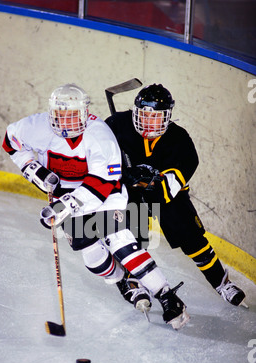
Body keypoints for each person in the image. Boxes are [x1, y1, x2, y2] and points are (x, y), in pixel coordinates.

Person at [2, 83, 190, 329]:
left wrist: (64, 207)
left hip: (106, 194)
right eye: (61, 114)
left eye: (72, 114)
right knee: (93, 259)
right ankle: (124, 281)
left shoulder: (99, 134)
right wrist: (31, 168)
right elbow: (10, 140)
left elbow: (102, 184)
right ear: (52, 113)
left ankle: (167, 296)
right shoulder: (36, 126)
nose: (66, 121)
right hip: (67, 198)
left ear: (84, 113)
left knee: (121, 242)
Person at [105, 83, 246, 307]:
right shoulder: (116, 125)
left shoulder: (179, 140)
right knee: (132, 238)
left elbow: (168, 185)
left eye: (156, 117)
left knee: (192, 239)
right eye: (144, 115)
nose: (149, 122)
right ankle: (133, 281)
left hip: (168, 195)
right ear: (135, 112)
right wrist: (122, 174)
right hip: (131, 195)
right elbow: (99, 158)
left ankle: (222, 283)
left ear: (167, 117)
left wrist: (145, 180)